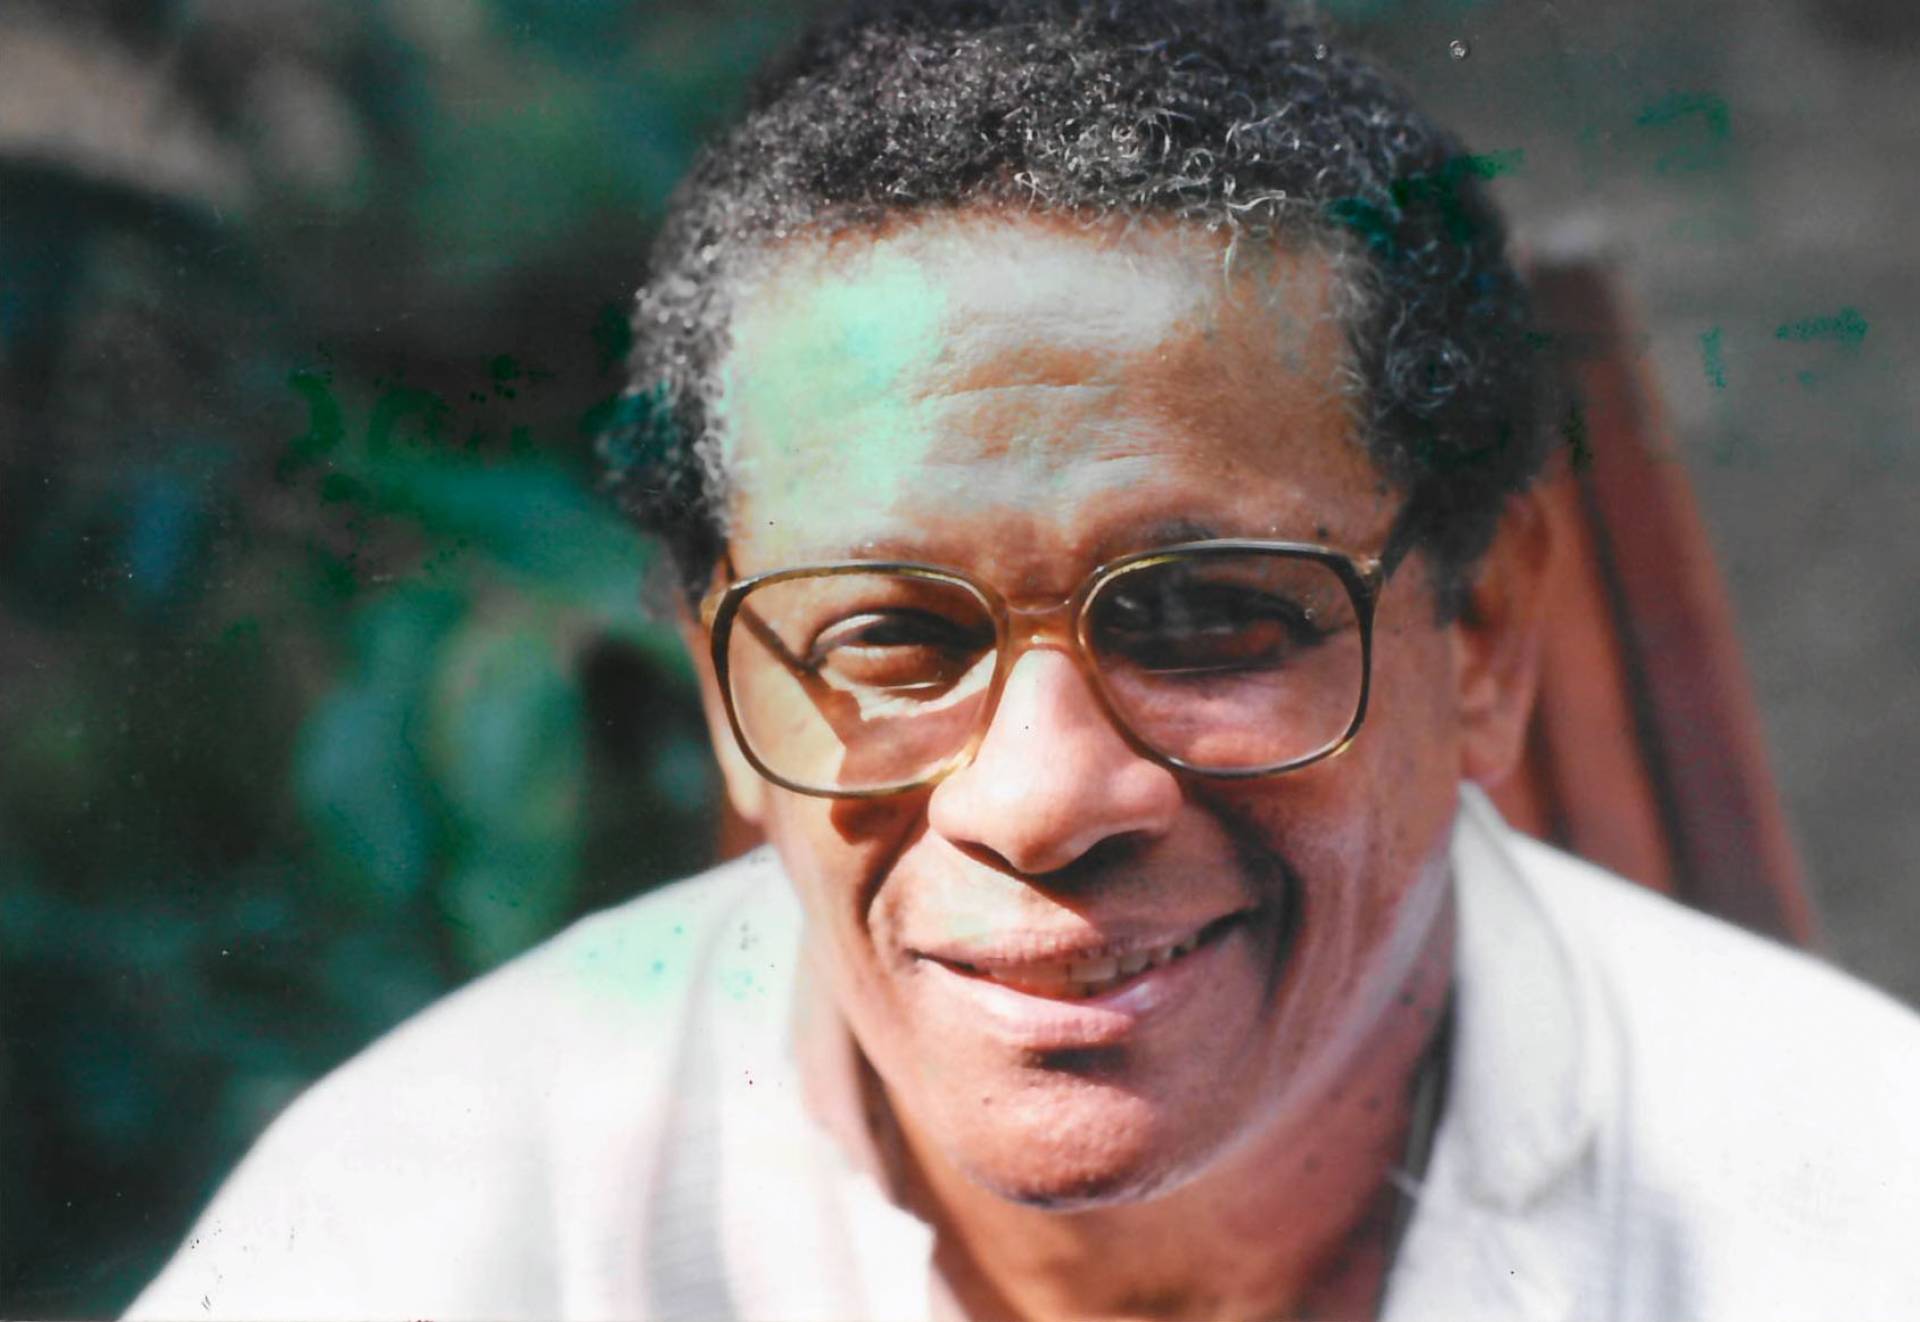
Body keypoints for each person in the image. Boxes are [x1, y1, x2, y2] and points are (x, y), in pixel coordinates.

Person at [130, 2, 1920, 1318]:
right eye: (890, 636)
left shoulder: (1850, 1222)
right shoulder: (426, 1234)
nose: (1044, 797)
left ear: (1487, 633)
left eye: (1207, 612)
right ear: (727, 691)